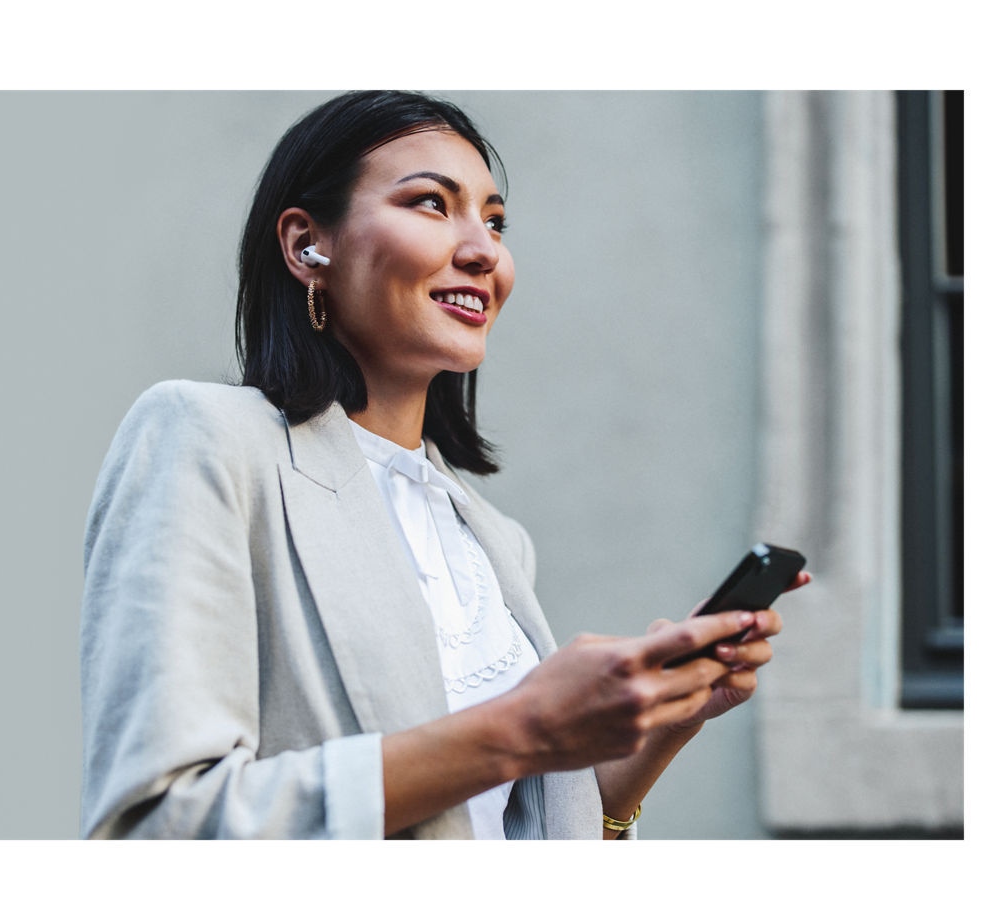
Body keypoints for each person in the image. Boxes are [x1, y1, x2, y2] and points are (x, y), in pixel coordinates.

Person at [79, 90, 808, 840]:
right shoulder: (208, 441)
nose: (484, 250)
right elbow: (158, 826)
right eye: (431, 204)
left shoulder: (494, 540)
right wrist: (521, 727)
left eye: (494, 221)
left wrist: (654, 732)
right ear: (307, 247)